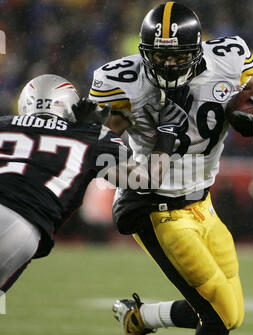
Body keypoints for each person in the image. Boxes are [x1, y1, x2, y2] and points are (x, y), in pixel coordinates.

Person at [89, 2, 253, 335]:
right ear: (144, 53)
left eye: (177, 56)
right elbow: (97, 147)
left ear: (197, 49)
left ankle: (139, 318)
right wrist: (135, 160)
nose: (168, 65)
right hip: (156, 206)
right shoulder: (123, 82)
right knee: (218, 315)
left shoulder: (228, 59)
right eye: (159, 56)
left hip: (203, 201)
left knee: (231, 313)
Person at [0, 73, 182, 293]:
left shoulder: (4, 124)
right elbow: (147, 180)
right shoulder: (92, 136)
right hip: (22, 223)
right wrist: (167, 135)